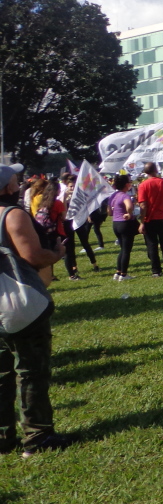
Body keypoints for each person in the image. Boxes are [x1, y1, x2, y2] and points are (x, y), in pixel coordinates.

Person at [0, 164, 72, 457]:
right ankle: (38, 436)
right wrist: (57, 253)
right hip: (19, 305)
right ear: (7, 187)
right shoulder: (12, 214)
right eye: (15, 179)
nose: (20, 183)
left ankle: (3, 437)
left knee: (1, 373)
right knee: (31, 371)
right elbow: (34, 257)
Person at [137, 162, 163, 277]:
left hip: (150, 219)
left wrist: (142, 222)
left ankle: (156, 270)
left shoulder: (143, 185)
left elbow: (143, 205)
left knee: (152, 245)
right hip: (162, 218)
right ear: (156, 170)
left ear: (145, 172)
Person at [108, 174, 139, 281]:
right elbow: (129, 206)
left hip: (116, 224)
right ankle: (124, 274)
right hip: (125, 224)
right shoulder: (125, 196)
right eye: (129, 182)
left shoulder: (113, 195)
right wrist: (129, 213)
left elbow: (109, 212)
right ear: (126, 184)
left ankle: (118, 272)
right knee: (126, 250)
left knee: (123, 249)